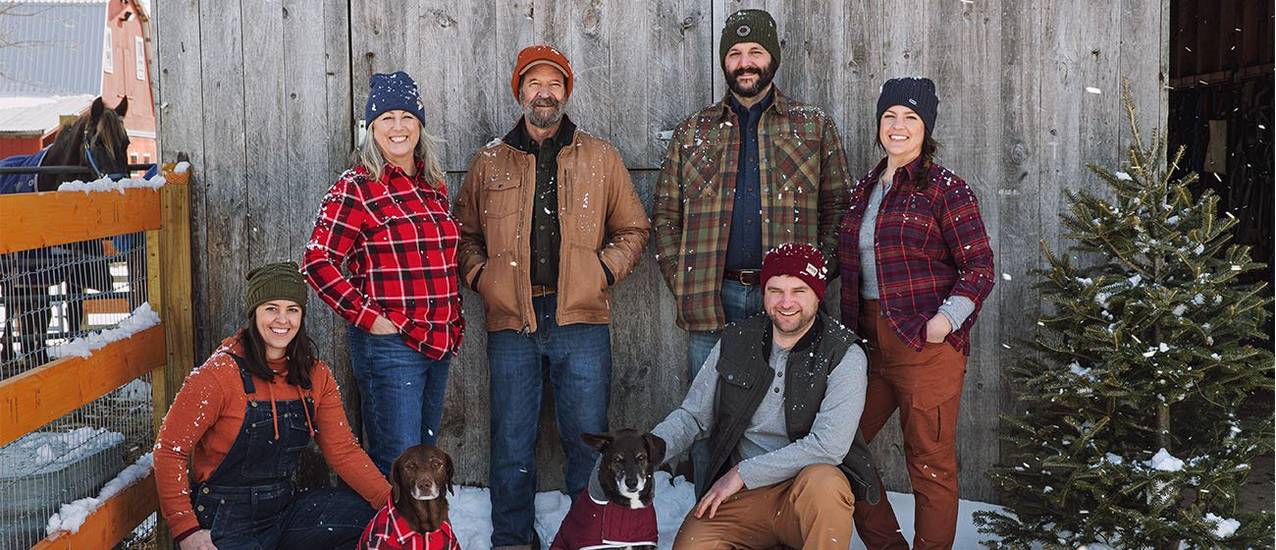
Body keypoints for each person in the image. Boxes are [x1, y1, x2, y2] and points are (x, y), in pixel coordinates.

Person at [452, 44, 650, 550]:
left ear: (567, 91)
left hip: (580, 319)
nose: (544, 93)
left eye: (554, 83)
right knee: (512, 442)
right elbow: (463, 234)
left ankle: (591, 538)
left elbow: (633, 228)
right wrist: (483, 279)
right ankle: (513, 541)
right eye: (534, 83)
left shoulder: (600, 157)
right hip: (512, 322)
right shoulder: (489, 160)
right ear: (519, 91)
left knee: (587, 444)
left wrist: (599, 271)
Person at [837, 77, 996, 549]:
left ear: (926, 128)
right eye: (890, 116)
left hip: (926, 344)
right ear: (879, 124)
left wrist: (944, 321)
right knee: (842, 445)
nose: (898, 126)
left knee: (930, 463)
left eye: (911, 118)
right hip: (867, 344)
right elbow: (845, 259)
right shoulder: (864, 188)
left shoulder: (945, 189)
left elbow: (979, 266)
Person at [652, 8, 851, 380]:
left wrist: (813, 276)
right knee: (706, 420)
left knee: (784, 421)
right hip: (713, 299)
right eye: (735, 54)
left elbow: (840, 209)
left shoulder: (813, 126)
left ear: (772, 57)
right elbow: (665, 216)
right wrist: (684, 276)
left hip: (788, 303)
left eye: (755, 52)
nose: (746, 63)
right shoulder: (692, 132)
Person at [649, 243, 880, 550]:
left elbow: (829, 446)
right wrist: (649, 449)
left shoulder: (843, 353)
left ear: (817, 294)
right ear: (763, 292)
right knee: (692, 546)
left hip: (803, 493)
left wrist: (742, 473)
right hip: (742, 498)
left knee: (826, 485)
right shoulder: (736, 339)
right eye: (775, 290)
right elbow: (693, 416)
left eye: (799, 291)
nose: (786, 302)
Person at [154, 262, 390, 549]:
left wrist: (394, 505)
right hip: (225, 520)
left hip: (283, 511)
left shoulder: (315, 375)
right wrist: (186, 531)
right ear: (254, 313)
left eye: (292, 309)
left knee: (374, 521)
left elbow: (343, 451)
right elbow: (169, 450)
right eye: (271, 308)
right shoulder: (218, 375)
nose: (282, 320)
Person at [302, 71, 463, 474]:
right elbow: (317, 261)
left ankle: (421, 536)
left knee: (424, 463)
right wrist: (368, 318)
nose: (398, 127)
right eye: (386, 118)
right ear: (372, 128)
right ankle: (390, 536)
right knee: (398, 464)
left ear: (419, 125)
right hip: (392, 348)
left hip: (439, 341)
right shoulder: (357, 186)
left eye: (406, 117)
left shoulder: (433, 185)